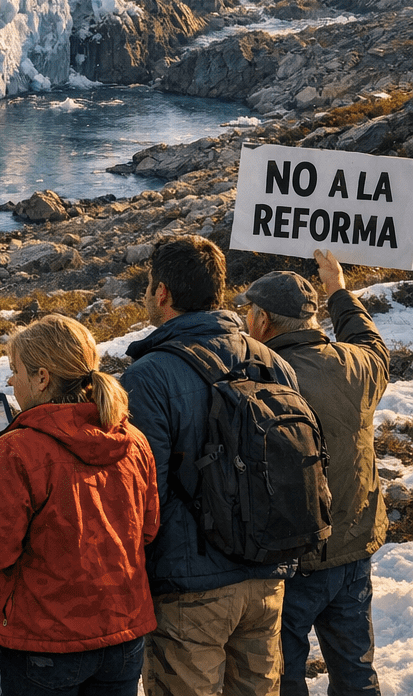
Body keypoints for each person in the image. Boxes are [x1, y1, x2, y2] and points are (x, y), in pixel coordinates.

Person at [0, 314, 159, 696]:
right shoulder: (132, 439)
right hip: (122, 634)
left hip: (45, 642)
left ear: (42, 378)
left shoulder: (17, 449)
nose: (10, 381)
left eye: (14, 370)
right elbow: (148, 529)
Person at [120, 234, 301, 696]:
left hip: (189, 588)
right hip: (266, 575)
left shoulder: (148, 376)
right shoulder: (274, 363)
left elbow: (144, 496)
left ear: (161, 293)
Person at [237, 250, 389, 696]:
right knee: (356, 670)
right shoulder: (358, 365)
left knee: (284, 676)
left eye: (249, 311)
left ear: (263, 320)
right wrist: (338, 288)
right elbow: (371, 341)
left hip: (293, 558)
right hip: (354, 545)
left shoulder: (261, 379)